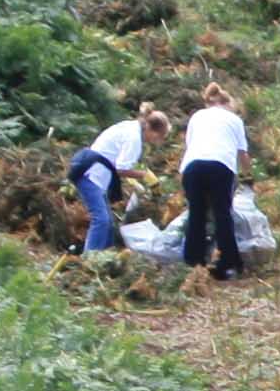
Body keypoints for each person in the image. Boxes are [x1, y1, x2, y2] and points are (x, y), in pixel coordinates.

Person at [178, 86, 253, 281]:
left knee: (196, 214)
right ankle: (227, 264)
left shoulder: (197, 116)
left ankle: (193, 262)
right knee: (222, 214)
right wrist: (249, 176)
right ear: (228, 104)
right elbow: (243, 154)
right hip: (220, 166)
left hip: (192, 167)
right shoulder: (234, 119)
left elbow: (190, 146)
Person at [69, 103, 165, 255]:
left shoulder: (131, 127)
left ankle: (106, 255)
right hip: (90, 175)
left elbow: (120, 162)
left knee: (108, 223)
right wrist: (144, 176)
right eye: (158, 137)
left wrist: (138, 177)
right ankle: (89, 259)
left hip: (95, 174)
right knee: (101, 220)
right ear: (151, 130)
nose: (156, 141)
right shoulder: (134, 138)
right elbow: (121, 169)